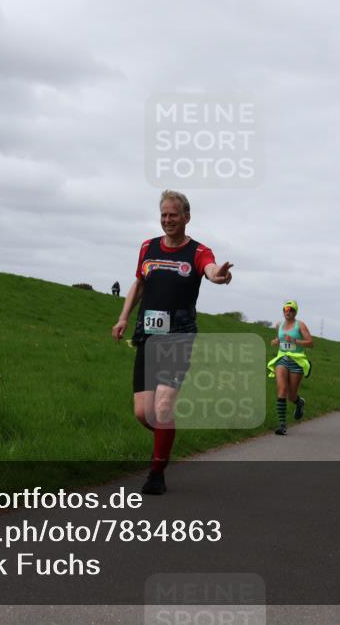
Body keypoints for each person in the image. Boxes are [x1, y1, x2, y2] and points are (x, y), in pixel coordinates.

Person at [112, 190, 233, 495]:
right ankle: (166, 440)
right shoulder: (148, 247)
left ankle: (156, 473)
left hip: (179, 335)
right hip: (147, 335)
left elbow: (210, 269)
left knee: (163, 406)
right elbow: (139, 283)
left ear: (186, 217)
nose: (167, 220)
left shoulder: (198, 251)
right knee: (144, 413)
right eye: (164, 215)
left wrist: (218, 275)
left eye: (173, 215)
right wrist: (123, 317)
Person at [266, 300, 313, 435]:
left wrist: (294, 340)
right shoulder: (279, 325)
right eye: (286, 309)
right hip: (282, 359)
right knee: (282, 389)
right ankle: (282, 425)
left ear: (295, 312)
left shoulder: (300, 325)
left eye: (291, 309)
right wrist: (276, 341)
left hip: (296, 361)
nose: (288, 312)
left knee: (291, 396)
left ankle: (299, 403)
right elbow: (280, 339)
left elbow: (310, 343)